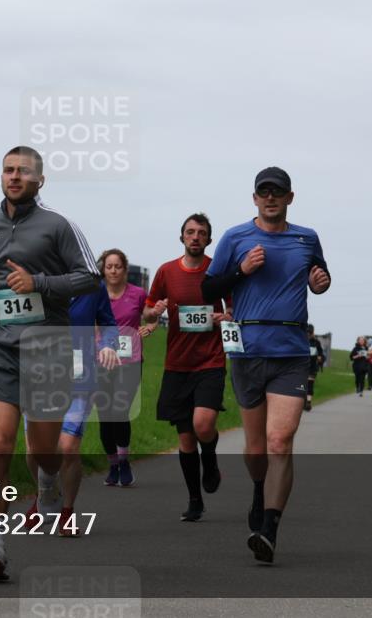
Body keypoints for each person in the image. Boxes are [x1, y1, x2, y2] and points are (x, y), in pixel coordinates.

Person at [0, 145, 99, 581]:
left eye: (23, 171)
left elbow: (89, 277)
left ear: (40, 180)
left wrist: (37, 282)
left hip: (48, 348)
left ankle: (48, 483)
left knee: (42, 451)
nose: (14, 177)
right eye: (8, 170)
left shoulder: (58, 226)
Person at [202, 166, 330, 564]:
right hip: (247, 351)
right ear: (255, 198)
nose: (270, 198)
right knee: (256, 448)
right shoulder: (235, 238)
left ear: (290, 197)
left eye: (278, 192)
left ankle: (269, 528)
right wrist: (241, 271)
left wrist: (321, 282)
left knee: (280, 442)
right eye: (264, 192)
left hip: (291, 350)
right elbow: (208, 288)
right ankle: (259, 490)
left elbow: (319, 277)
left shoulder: (306, 238)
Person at [145, 213, 231, 522]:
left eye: (202, 233)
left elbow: (234, 307)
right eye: (190, 232)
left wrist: (226, 316)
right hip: (177, 363)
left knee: (203, 425)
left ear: (209, 240)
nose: (195, 237)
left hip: (210, 360)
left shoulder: (217, 270)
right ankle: (195, 499)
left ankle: (210, 457)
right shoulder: (167, 271)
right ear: (181, 237)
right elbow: (149, 310)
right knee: (184, 438)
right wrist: (153, 312)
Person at [23, 282, 120, 536]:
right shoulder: (32, 279)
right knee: (34, 451)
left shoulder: (92, 286)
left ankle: (66, 511)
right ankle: (44, 494)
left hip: (79, 378)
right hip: (38, 375)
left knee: (67, 447)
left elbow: (109, 322)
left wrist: (108, 344)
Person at [99, 248, 153, 487]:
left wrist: (150, 327)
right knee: (104, 416)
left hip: (129, 361)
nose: (113, 270)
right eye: (109, 266)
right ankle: (112, 463)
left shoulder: (138, 294)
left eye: (117, 266)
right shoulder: (95, 294)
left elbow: (151, 316)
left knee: (120, 409)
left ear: (124, 269)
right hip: (100, 361)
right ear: (103, 269)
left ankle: (124, 461)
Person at [304, 324, 325, 411]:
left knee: (310, 384)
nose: (309, 334)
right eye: (307, 332)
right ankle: (303, 401)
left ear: (313, 332)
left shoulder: (316, 342)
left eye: (310, 333)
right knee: (302, 385)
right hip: (302, 366)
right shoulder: (302, 341)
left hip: (313, 366)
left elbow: (321, 353)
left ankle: (308, 402)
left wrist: (320, 358)